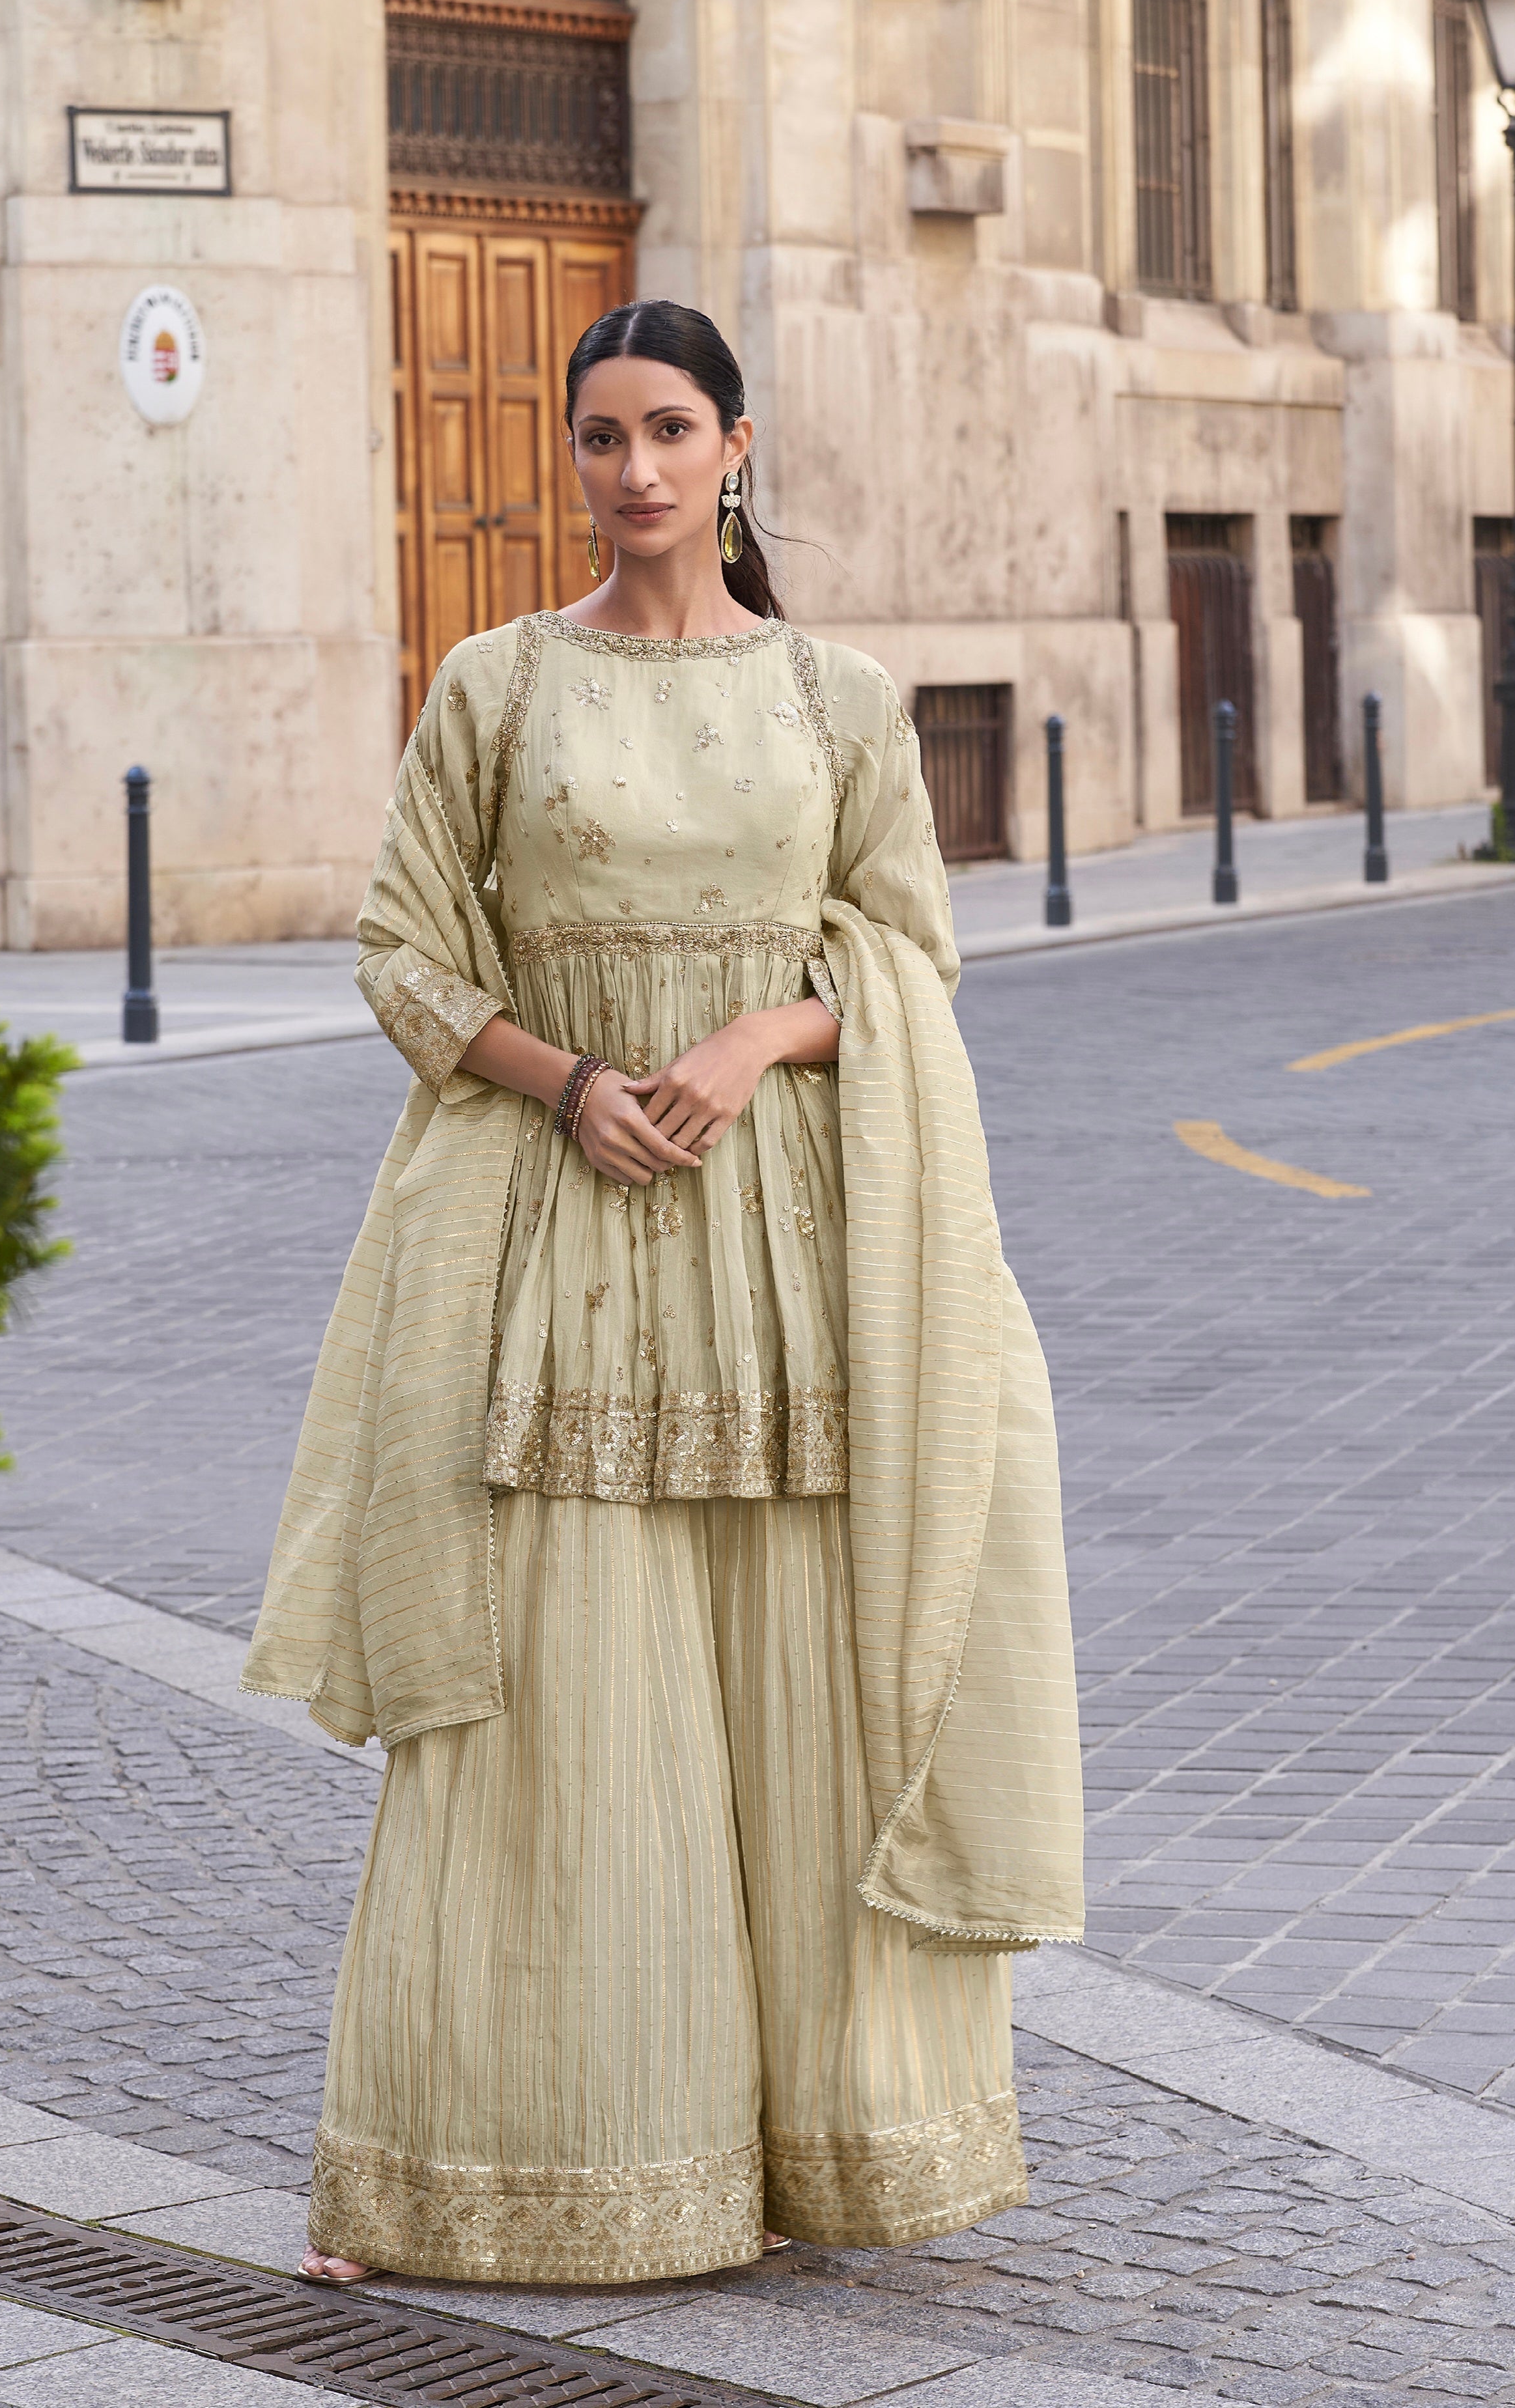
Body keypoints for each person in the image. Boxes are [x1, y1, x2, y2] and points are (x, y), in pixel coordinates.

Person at [243, 299, 1085, 2290]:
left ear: (737, 447)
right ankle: (482, 2162)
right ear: (576, 454)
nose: (635, 471)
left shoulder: (837, 696)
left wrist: (758, 1043)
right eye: (602, 436)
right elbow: (402, 950)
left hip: (788, 1244)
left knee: (798, 1672)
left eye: (671, 431)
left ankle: (828, 2142)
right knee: (548, 1700)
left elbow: (904, 947)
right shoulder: (495, 687)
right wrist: (573, 1083)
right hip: (550, 1236)